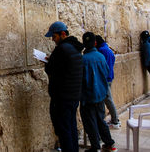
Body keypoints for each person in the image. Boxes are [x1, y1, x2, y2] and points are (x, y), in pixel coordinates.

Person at [44, 21, 84, 152]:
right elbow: (66, 68)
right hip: (73, 96)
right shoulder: (74, 48)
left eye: (54, 37)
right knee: (71, 126)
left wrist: (48, 62)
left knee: (64, 130)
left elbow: (51, 70)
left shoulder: (62, 48)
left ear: (62, 34)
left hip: (62, 97)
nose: (53, 40)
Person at [80, 32, 118, 152]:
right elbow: (106, 73)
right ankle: (109, 143)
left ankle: (95, 146)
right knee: (101, 120)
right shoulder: (101, 57)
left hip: (88, 97)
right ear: (94, 43)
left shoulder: (83, 59)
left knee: (90, 122)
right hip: (101, 95)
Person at [95, 35, 120, 129]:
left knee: (108, 100)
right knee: (108, 99)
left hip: (105, 79)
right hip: (109, 77)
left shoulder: (102, 50)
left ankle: (115, 121)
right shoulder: (107, 49)